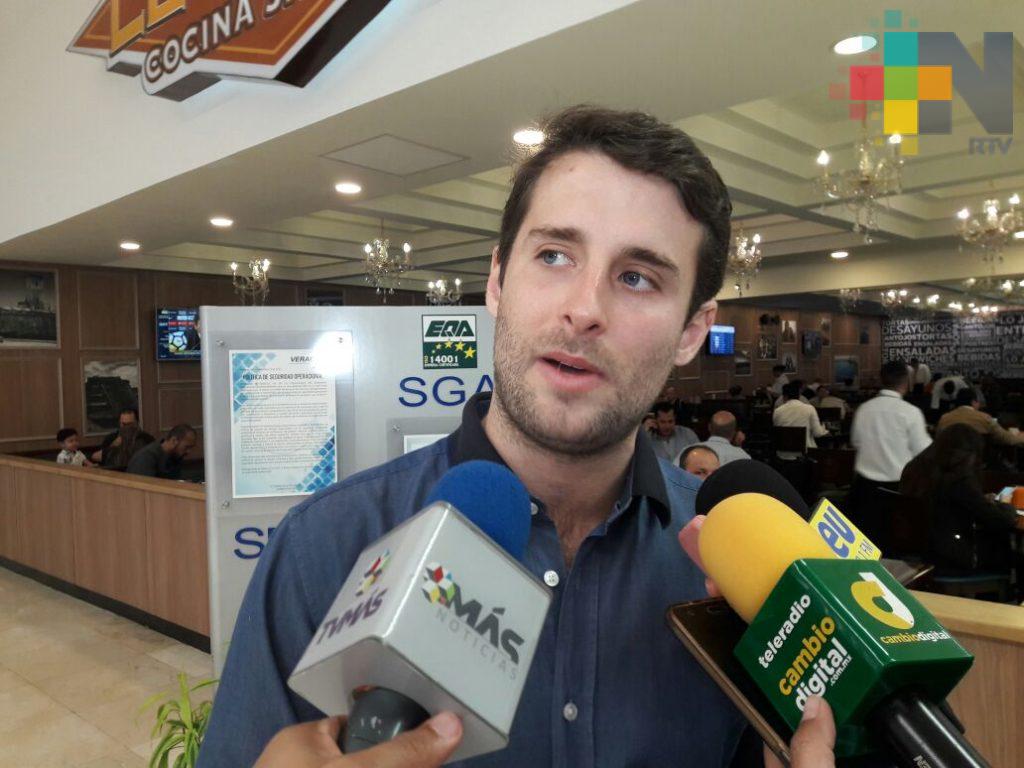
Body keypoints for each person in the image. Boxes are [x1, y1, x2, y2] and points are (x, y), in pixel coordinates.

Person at [200, 105, 837, 768]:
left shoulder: (728, 572)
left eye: (637, 277)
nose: (584, 310)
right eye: (555, 255)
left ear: (692, 331)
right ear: (498, 282)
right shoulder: (324, 547)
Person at [901, 424, 1023, 579]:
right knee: (1010, 550)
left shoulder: (914, 469)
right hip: (954, 557)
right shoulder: (959, 480)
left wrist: (980, 499)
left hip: (921, 552)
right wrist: (1005, 504)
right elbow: (1002, 520)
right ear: (969, 454)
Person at [849, 361, 931, 546]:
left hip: (864, 489)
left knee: (867, 544)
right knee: (895, 544)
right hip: (898, 491)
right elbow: (923, 451)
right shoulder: (911, 413)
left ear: (881, 380)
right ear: (906, 381)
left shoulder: (864, 409)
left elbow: (855, 442)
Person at [936, 388, 1024, 447]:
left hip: (949, 464)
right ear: (973, 402)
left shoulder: (944, 418)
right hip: (978, 463)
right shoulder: (985, 418)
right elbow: (1007, 439)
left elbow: (938, 442)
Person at [772, 381, 828, 459]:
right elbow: (817, 433)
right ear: (799, 395)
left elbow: (778, 432)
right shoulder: (809, 408)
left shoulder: (777, 411)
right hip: (805, 453)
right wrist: (824, 428)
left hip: (783, 454)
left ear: (784, 396)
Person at [126, 423, 196, 479]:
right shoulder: (146, 458)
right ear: (174, 441)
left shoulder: (175, 456)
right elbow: (145, 488)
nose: (188, 451)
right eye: (187, 447)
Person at [650, 400, 699, 464]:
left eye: (670, 421)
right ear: (655, 421)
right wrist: (645, 430)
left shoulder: (687, 434)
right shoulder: (648, 438)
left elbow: (700, 456)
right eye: (662, 422)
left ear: (675, 419)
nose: (667, 426)